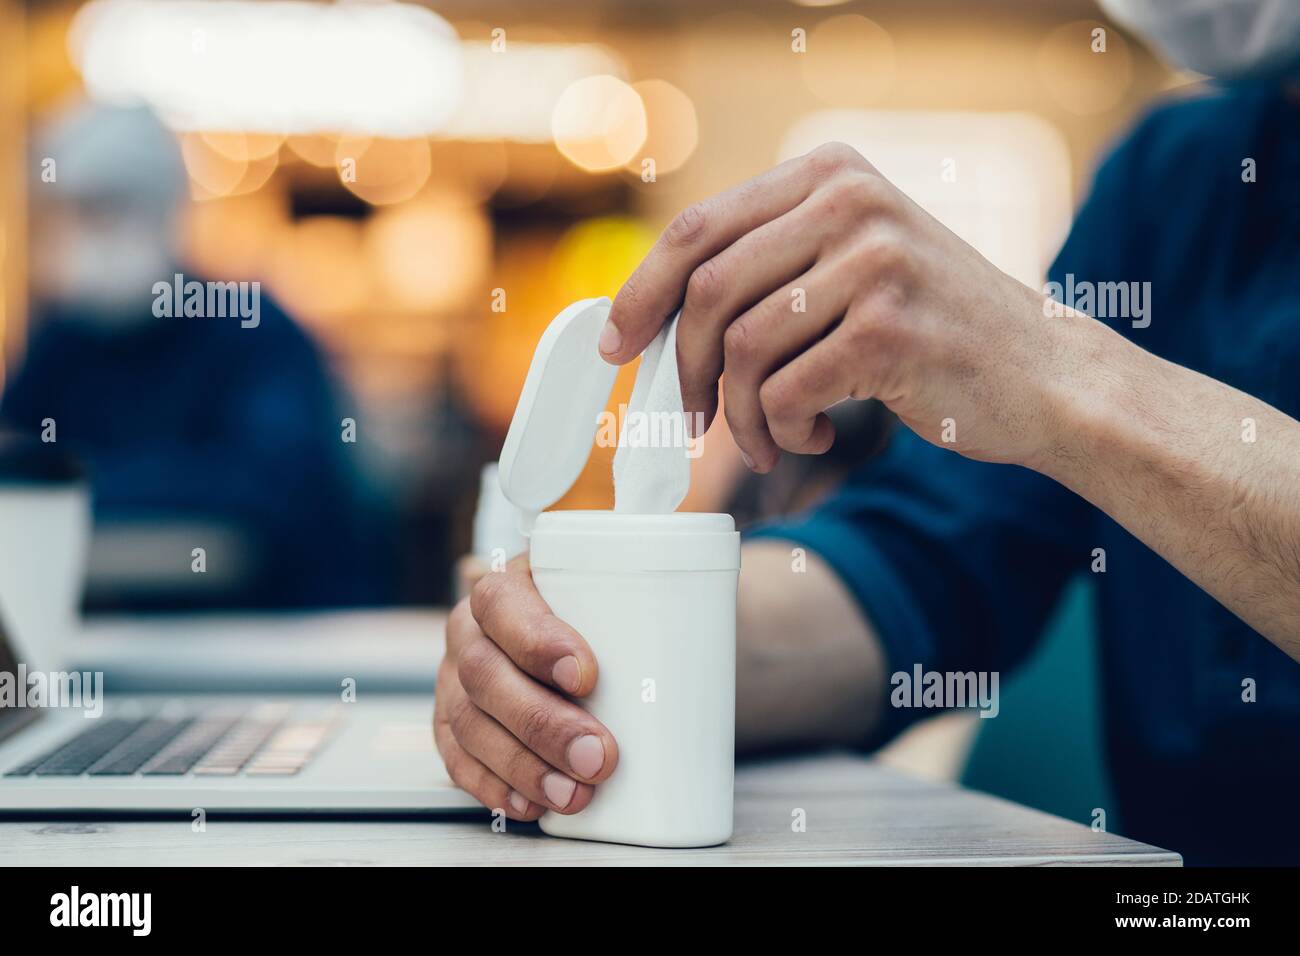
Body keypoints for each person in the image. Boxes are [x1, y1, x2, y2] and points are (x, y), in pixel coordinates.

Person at [434, 0, 1300, 864]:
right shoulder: (1172, 178)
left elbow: (1027, 426)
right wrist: (605, 645)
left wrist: (1052, 370)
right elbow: (925, 559)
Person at [2, 103, 384, 609]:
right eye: (68, 212)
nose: (84, 232)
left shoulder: (251, 327)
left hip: (276, 642)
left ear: (164, 209)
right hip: (107, 645)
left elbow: (269, 491)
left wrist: (78, 484)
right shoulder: (64, 342)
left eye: (106, 209)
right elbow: (17, 467)